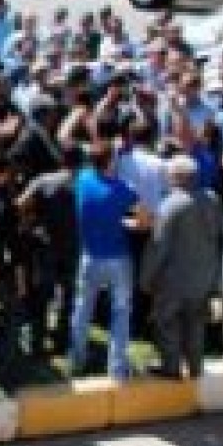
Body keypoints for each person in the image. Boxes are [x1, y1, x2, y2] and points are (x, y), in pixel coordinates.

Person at [140, 155, 223, 378]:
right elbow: (220, 233)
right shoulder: (212, 199)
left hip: (175, 280)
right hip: (203, 277)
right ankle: (196, 367)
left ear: (176, 177)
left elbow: (159, 246)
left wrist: (146, 278)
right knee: (195, 325)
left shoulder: (170, 205)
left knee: (167, 323)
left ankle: (171, 367)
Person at [69, 139, 145, 380]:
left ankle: (77, 357)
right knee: (121, 312)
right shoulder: (125, 189)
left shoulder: (83, 179)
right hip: (117, 258)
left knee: (83, 308)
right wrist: (127, 223)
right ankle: (117, 367)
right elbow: (145, 220)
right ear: (111, 161)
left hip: (89, 256)